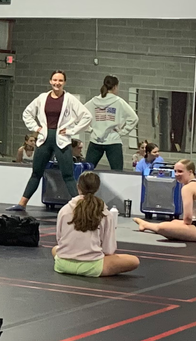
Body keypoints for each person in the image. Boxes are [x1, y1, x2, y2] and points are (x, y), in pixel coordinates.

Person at [16, 70, 91, 212]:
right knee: (36, 173)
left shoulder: (69, 99)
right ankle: (21, 204)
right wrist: (36, 128)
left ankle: (80, 207)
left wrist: (72, 131)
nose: (57, 83)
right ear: (50, 81)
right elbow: (27, 113)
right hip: (44, 139)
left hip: (62, 140)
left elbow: (87, 116)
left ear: (64, 82)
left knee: (68, 175)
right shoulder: (42, 98)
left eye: (60, 80)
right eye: (55, 80)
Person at [53, 171, 140, 279]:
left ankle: (69, 264)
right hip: (92, 266)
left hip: (63, 265)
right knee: (134, 261)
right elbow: (109, 250)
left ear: (78, 186)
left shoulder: (64, 210)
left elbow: (59, 239)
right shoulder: (104, 213)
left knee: (55, 249)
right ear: (97, 188)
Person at [130, 160, 196, 245]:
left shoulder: (188, 188)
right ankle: (150, 225)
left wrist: (178, 228)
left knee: (163, 227)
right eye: (175, 171)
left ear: (190, 172)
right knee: (174, 222)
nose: (177, 174)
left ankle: (146, 225)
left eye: (180, 171)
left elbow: (188, 218)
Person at [82, 76, 138, 170]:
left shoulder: (93, 101)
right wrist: (122, 132)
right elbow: (134, 118)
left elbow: (79, 115)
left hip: (95, 139)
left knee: (86, 170)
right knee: (117, 172)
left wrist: (90, 129)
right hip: (113, 140)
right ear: (115, 87)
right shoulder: (119, 102)